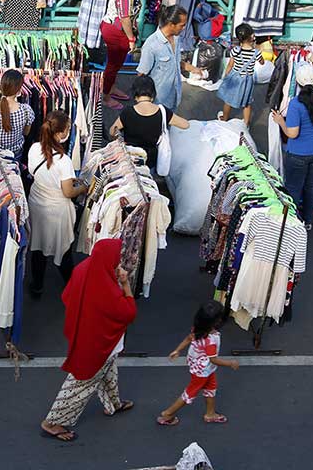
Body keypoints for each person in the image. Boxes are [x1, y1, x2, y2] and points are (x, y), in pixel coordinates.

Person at [40, 239, 137, 442]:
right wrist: (125, 284)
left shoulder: (83, 269)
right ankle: (51, 422)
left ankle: (113, 404)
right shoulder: (108, 289)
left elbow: (67, 296)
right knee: (79, 385)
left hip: (86, 336)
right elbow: (129, 312)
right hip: (101, 346)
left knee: (109, 373)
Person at [27, 111, 87, 299]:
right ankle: (72, 286)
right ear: (60, 133)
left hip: (37, 204)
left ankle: (37, 286)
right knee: (64, 249)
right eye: (67, 129)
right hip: (57, 210)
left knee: (38, 247)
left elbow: (36, 173)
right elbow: (68, 192)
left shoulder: (34, 148)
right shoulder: (63, 160)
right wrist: (83, 188)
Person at [271, 61, 313, 229]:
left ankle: (291, 223)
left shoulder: (296, 104)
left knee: (293, 187)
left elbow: (292, 133)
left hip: (299, 152)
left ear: (297, 82)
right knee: (311, 185)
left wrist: (280, 121)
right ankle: (308, 221)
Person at [157, 300, 239, 426]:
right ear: (217, 321)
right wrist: (230, 363)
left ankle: (210, 413)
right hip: (202, 370)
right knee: (190, 393)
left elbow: (188, 338)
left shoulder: (199, 329)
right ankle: (167, 414)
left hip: (203, 368)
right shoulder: (211, 340)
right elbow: (213, 359)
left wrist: (177, 350)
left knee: (211, 388)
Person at [109, 75, 189, 170]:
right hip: (150, 159)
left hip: (130, 157)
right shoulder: (162, 112)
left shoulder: (128, 112)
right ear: (153, 94)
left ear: (135, 94)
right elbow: (185, 125)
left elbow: (112, 131)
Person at [136, 4, 203, 111]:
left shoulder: (176, 39)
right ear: (171, 24)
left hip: (174, 97)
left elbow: (174, 62)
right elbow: (141, 75)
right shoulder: (151, 45)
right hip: (158, 101)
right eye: (182, 25)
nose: (184, 28)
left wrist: (193, 69)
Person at [99, 0, 145, 110]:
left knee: (115, 64)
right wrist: (131, 39)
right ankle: (105, 97)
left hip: (110, 26)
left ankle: (110, 88)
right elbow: (125, 18)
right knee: (113, 66)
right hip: (117, 31)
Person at [0, 69, 34, 159]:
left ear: (1, 87)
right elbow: (26, 132)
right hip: (16, 154)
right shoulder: (26, 110)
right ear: (19, 90)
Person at [217, 23, 263, 125]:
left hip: (235, 77)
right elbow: (262, 62)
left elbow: (230, 65)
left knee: (228, 99)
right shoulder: (256, 52)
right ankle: (246, 123)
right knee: (247, 102)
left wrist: (226, 76)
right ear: (252, 36)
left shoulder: (235, 51)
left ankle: (225, 118)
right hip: (248, 79)